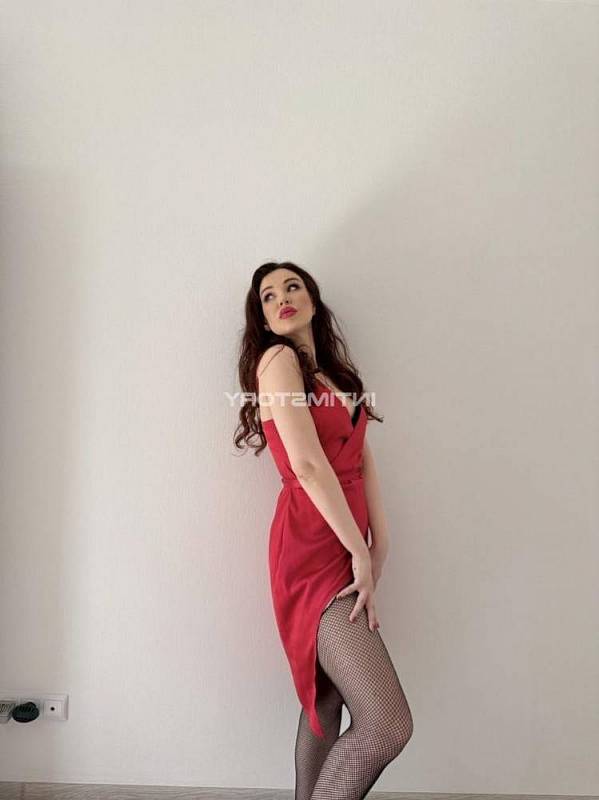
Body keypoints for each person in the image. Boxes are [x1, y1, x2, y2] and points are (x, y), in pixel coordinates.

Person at [234, 261, 413, 799]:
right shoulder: (278, 360)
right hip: (311, 549)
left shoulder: (334, 375)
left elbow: (361, 458)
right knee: (387, 725)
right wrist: (358, 550)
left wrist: (380, 542)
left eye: (292, 287)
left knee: (328, 698)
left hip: (348, 542)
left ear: (313, 299)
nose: (282, 298)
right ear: (263, 318)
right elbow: (309, 466)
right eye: (268, 296)